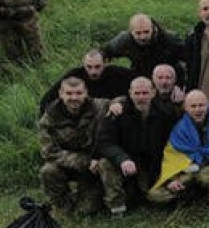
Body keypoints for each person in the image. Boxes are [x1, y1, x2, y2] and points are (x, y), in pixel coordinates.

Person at [95, 76, 176, 215]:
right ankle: (117, 207)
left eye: (145, 93)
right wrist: (122, 159)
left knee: (160, 198)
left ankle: (142, 194)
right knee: (104, 163)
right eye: (137, 93)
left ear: (153, 93)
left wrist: (169, 177)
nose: (141, 97)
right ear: (130, 93)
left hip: (152, 167)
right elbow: (105, 142)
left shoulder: (166, 113)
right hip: (127, 165)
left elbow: (173, 146)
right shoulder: (117, 113)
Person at [149, 90, 209, 206]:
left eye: (201, 105)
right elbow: (172, 156)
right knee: (155, 194)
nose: (197, 110)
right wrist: (172, 179)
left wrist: (200, 163)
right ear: (186, 108)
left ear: (208, 105)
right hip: (187, 169)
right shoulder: (180, 129)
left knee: (205, 177)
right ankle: (186, 196)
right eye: (193, 106)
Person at [38, 77, 108, 216]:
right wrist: (84, 161)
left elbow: (126, 100)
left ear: (86, 93)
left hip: (93, 169)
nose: (74, 98)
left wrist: (117, 104)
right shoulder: (50, 117)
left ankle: (87, 198)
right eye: (69, 93)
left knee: (86, 211)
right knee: (48, 171)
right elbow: (49, 152)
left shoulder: (99, 106)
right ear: (61, 94)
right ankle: (63, 205)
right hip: (69, 164)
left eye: (78, 93)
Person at [39, 49, 135, 115]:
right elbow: (48, 99)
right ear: (83, 64)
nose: (93, 71)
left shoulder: (118, 74)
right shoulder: (75, 75)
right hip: (85, 119)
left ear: (105, 63)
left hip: (113, 114)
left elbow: (141, 83)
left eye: (98, 67)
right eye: (89, 67)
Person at [102, 14, 186, 79]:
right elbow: (105, 52)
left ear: (153, 29)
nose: (143, 37)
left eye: (146, 32)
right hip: (140, 75)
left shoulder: (169, 39)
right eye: (138, 33)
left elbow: (187, 59)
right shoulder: (124, 40)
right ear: (131, 32)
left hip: (167, 78)